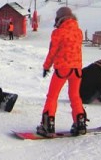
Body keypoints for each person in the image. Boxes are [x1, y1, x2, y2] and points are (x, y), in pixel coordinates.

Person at [37, 7, 87, 137]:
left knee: (52, 96)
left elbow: (52, 52)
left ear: (60, 18)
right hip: (77, 70)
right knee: (75, 96)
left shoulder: (58, 33)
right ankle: (80, 123)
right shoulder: (79, 32)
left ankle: (48, 125)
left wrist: (46, 67)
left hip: (62, 69)